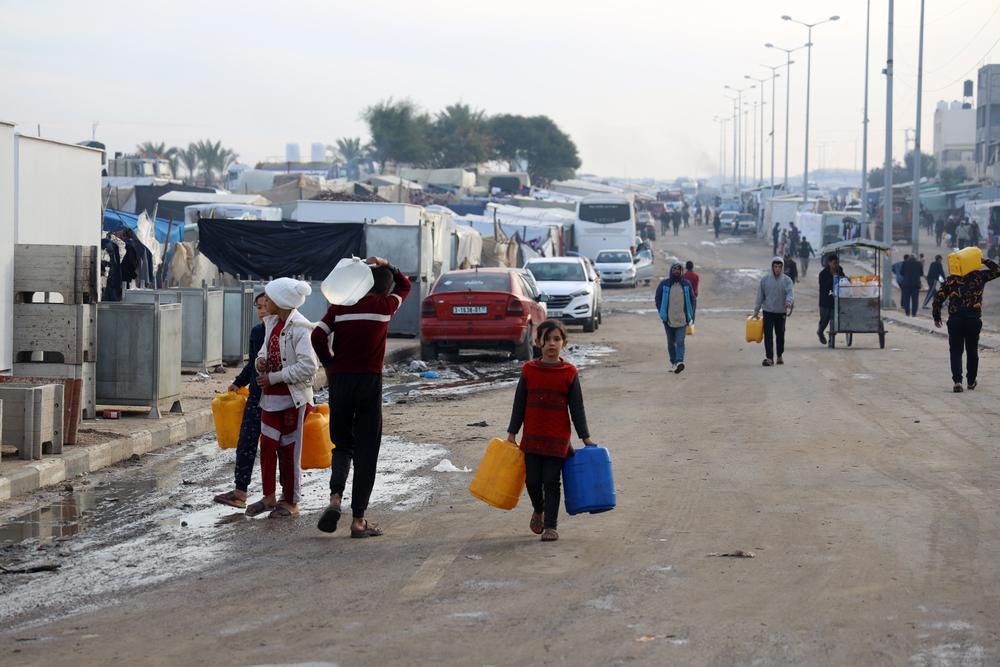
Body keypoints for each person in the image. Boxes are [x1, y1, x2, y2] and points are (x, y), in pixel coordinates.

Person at [313, 257, 412, 537]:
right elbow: (405, 286)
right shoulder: (385, 306)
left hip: (340, 381)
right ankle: (358, 520)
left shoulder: (341, 306)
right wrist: (389, 264)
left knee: (342, 444)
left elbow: (317, 336)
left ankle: (335, 499)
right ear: (383, 288)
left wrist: (329, 364)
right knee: (367, 450)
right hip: (368, 382)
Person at [505, 320, 595, 542]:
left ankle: (551, 526)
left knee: (552, 482)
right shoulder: (529, 370)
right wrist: (512, 433)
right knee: (533, 481)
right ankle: (539, 510)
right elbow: (519, 404)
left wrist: (585, 436)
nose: (552, 344)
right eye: (547, 339)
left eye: (557, 339)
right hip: (533, 437)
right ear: (538, 342)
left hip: (557, 439)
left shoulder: (569, 373)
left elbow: (577, 408)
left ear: (564, 342)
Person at [247, 278, 319, 519]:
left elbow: (309, 367)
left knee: (288, 450)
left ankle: (291, 501)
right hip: (271, 398)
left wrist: (275, 377)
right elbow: (263, 353)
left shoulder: (301, 328)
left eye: (269, 298)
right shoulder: (272, 323)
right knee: (267, 445)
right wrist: (260, 363)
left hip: (293, 399)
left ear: (282, 301)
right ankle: (268, 496)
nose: (265, 302)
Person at [214, 293, 268, 509]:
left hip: (278, 398)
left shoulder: (286, 331)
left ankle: (282, 496)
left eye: (266, 306)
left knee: (278, 449)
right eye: (259, 307)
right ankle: (240, 492)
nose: (262, 311)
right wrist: (239, 383)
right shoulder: (257, 332)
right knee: (246, 443)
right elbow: (252, 364)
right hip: (256, 397)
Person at [932, 257, 1000, 392]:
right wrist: (984, 260)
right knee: (972, 350)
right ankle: (971, 381)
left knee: (956, 350)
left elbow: (938, 299)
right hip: (973, 320)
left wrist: (937, 316)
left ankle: (957, 381)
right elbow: (998, 270)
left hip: (955, 320)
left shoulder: (951, 279)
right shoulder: (980, 276)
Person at [654, 262, 695, 374]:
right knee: (671, 343)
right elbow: (657, 298)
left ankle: (679, 362)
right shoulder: (664, 285)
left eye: (678, 269)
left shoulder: (686, 285)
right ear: (671, 271)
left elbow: (692, 300)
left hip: (682, 320)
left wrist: (691, 316)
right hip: (668, 320)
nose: (676, 271)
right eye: (674, 269)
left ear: (681, 271)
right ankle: (673, 362)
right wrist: (661, 312)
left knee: (680, 341)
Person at [753, 257, 794, 366]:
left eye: (780, 267)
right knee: (768, 335)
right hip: (768, 311)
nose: (777, 269)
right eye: (775, 267)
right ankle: (769, 358)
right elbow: (760, 296)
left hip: (781, 312)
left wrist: (788, 302)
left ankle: (779, 355)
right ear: (772, 267)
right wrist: (756, 311)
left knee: (780, 335)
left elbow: (790, 293)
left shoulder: (787, 280)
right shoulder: (765, 280)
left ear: (782, 267)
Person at [817, 254, 845, 344]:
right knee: (824, 320)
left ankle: (831, 338)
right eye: (834, 263)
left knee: (834, 319)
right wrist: (833, 278)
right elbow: (823, 286)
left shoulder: (839, 270)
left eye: (837, 263)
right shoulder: (823, 273)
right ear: (829, 263)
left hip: (835, 301)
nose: (836, 265)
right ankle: (820, 332)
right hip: (825, 301)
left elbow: (843, 279)